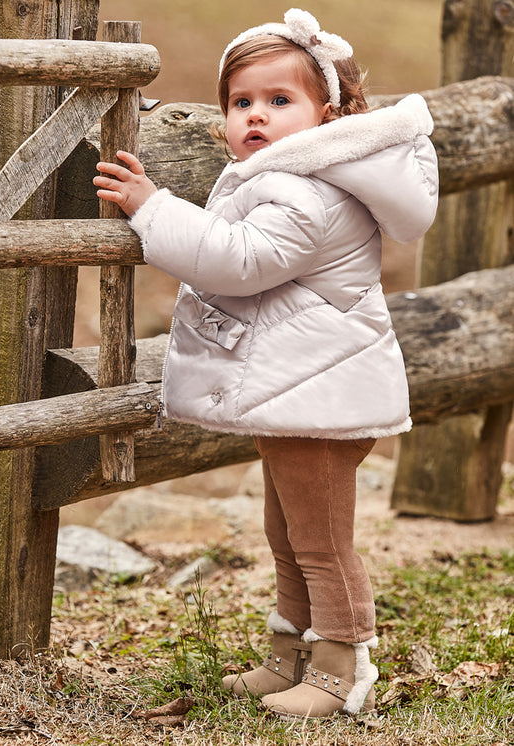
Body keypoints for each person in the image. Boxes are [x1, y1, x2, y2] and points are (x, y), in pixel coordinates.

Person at [94, 8, 438, 719]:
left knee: (320, 542)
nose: (255, 116)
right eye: (240, 102)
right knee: (287, 533)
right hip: (300, 388)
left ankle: (344, 668)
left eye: (279, 101)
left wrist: (152, 207)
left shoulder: (307, 190)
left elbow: (239, 260)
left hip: (321, 394)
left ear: (326, 111)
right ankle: (290, 655)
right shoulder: (288, 173)